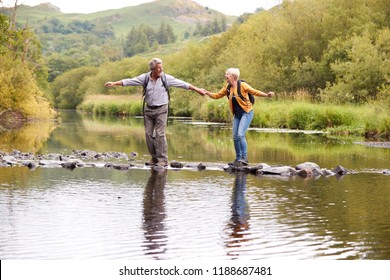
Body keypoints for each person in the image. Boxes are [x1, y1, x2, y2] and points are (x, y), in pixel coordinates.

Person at [105, 58, 205, 167]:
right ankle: (154, 158)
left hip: (162, 109)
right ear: (153, 70)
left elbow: (182, 84)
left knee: (160, 134)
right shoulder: (145, 78)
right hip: (148, 109)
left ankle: (162, 160)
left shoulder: (166, 78)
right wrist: (114, 83)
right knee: (148, 134)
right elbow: (130, 81)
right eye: (159, 68)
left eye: (162, 67)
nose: (161, 69)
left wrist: (198, 90)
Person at [205, 68, 274, 166]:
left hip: (247, 113)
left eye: (227, 74)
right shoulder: (227, 88)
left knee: (240, 134)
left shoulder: (242, 85)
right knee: (235, 137)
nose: (225, 76)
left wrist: (267, 95)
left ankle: (244, 158)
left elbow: (255, 92)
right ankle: (238, 159)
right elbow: (217, 95)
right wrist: (207, 92)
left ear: (233, 76)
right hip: (237, 115)